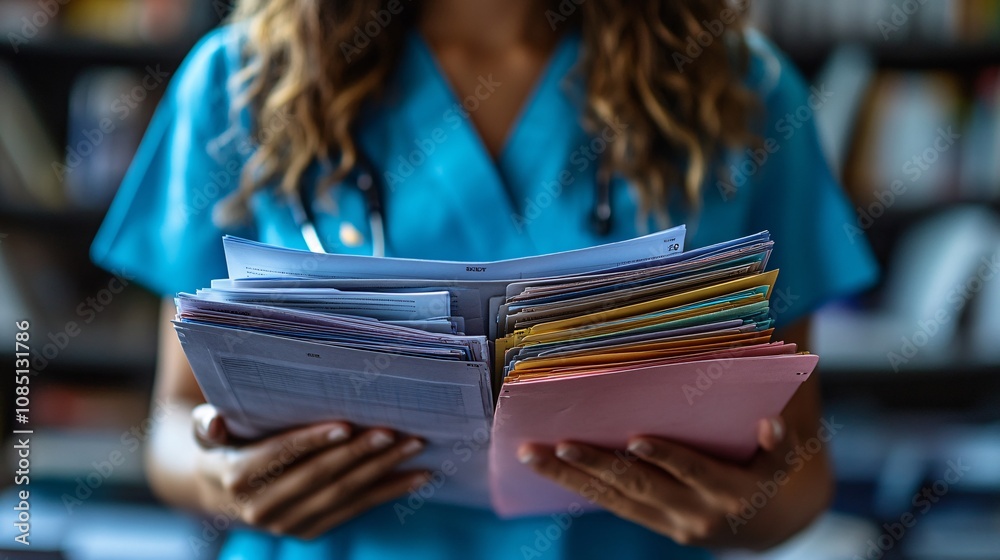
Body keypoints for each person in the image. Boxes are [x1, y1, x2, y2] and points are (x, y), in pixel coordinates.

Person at [91, 0, 878, 558]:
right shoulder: (238, 80)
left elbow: (800, 475)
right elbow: (173, 428)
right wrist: (224, 481)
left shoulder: (741, 90)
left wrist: (740, 510)